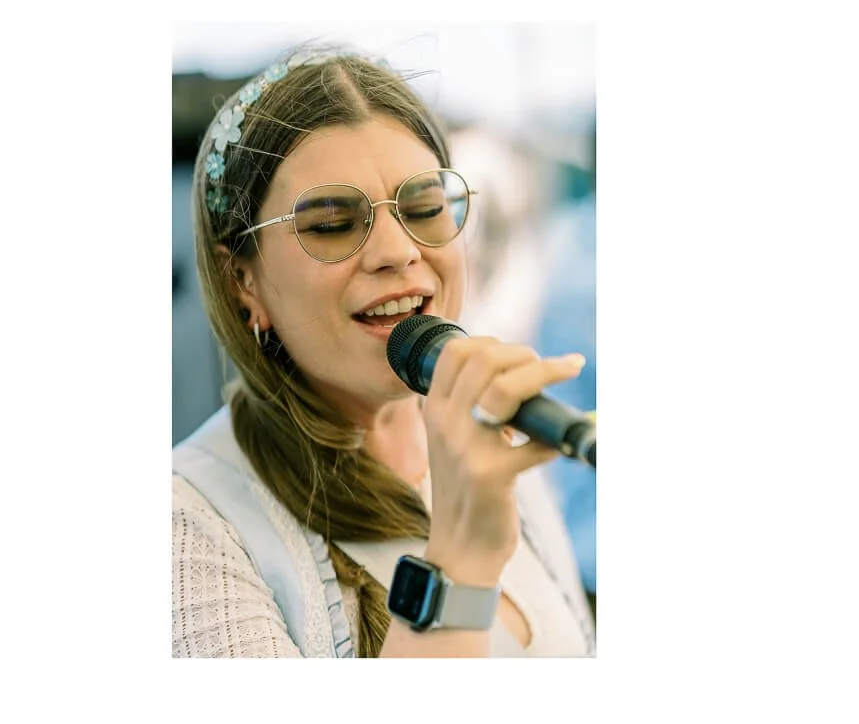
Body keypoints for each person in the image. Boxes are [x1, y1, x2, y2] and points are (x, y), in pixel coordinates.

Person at [171, 47, 596, 658]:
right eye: (331, 223)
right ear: (243, 279)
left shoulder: (485, 441)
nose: (399, 251)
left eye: (425, 208)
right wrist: (459, 560)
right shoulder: (189, 532)